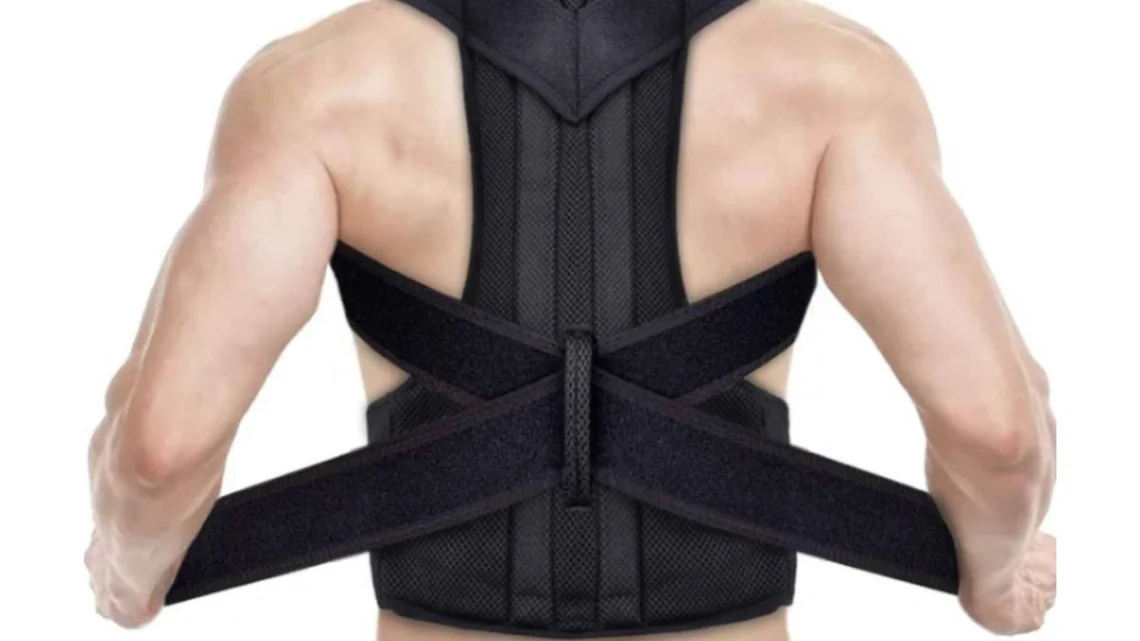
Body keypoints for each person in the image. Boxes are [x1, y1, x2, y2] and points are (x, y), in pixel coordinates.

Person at [84, 1, 1057, 639]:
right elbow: (998, 436)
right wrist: (994, 576)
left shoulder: (318, 88)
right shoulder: (832, 80)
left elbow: (158, 455)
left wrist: (132, 570)